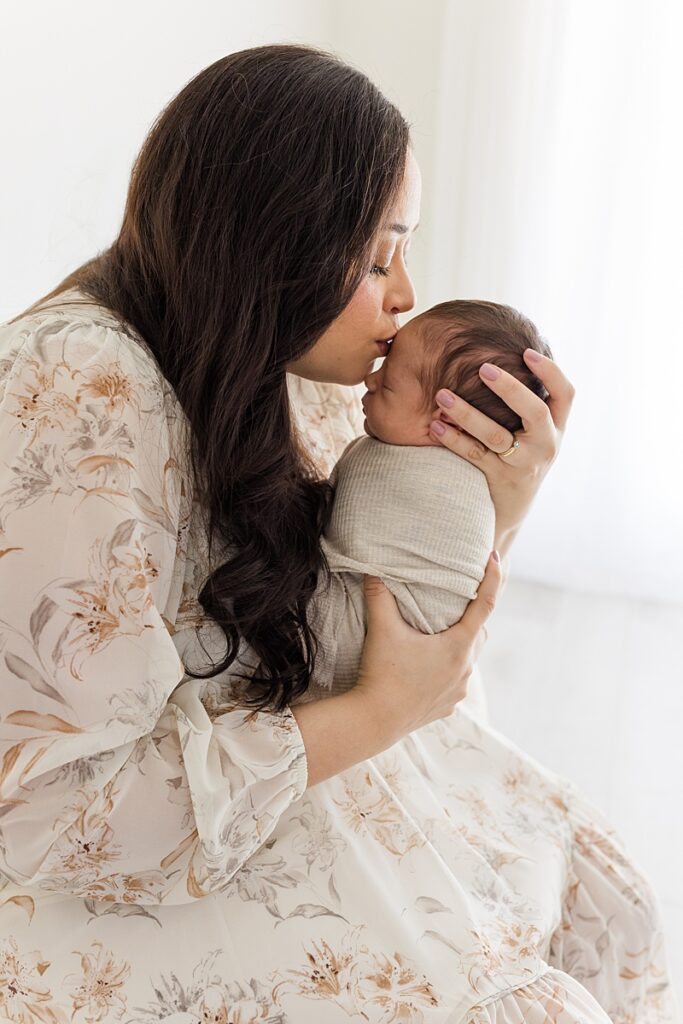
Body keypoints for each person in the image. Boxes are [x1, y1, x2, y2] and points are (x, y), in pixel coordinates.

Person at [0, 44, 676, 1024]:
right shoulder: (75, 388)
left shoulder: (288, 370)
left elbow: (376, 613)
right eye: (374, 258)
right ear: (272, 244)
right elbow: (53, 812)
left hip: (289, 774)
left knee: (610, 901)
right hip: (128, 870)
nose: (404, 295)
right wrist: (379, 713)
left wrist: (495, 498)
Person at [289, 299, 552, 703]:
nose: (370, 380)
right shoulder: (439, 457)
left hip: (365, 649)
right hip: (422, 670)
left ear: (445, 420)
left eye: (388, 384)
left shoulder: (425, 472)